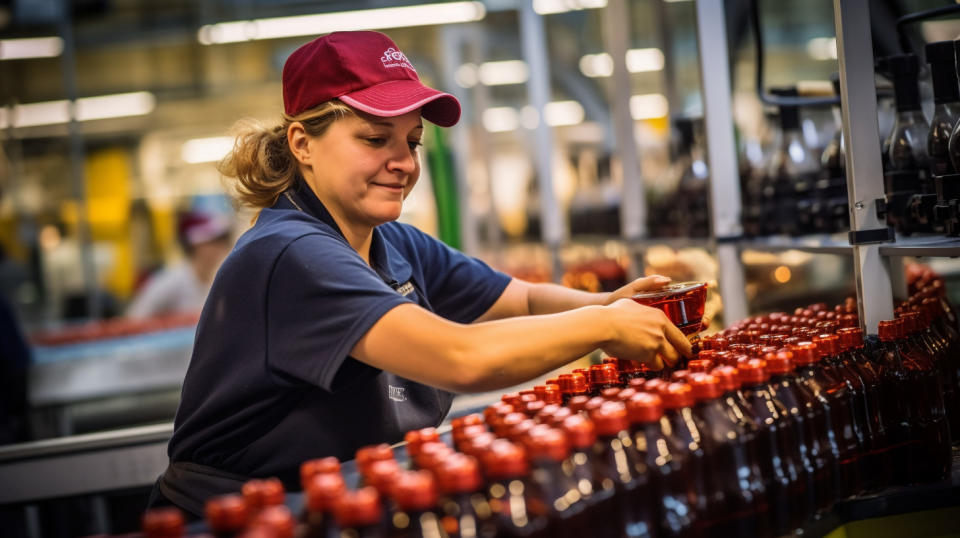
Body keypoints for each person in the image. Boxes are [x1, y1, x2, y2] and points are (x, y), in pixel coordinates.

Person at [150, 30, 693, 517]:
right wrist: (604, 327)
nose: (404, 163)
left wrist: (613, 305)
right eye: (374, 138)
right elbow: (461, 358)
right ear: (302, 144)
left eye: (411, 142)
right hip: (241, 521)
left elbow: (522, 299)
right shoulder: (290, 254)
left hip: (341, 503)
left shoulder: (390, 241)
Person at [126, 209, 233, 319]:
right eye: (215, 242)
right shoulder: (171, 281)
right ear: (197, 246)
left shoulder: (214, 281)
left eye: (224, 241)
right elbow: (135, 318)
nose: (222, 247)